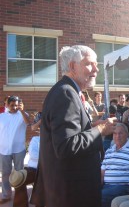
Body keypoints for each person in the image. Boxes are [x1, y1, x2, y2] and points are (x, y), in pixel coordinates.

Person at [30, 45, 107, 207]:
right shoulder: (66, 93)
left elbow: (65, 134)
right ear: (72, 66)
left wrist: (92, 125)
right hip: (71, 194)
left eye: (96, 64)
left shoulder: (67, 91)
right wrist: (99, 130)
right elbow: (66, 146)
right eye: (90, 64)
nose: (96, 69)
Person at [101, 123, 129, 207]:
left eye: (120, 133)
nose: (117, 136)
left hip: (124, 187)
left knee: (100, 196)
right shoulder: (109, 151)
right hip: (106, 186)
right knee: (89, 193)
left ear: (127, 134)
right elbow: (102, 173)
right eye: (115, 133)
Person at [0, 96, 30, 204]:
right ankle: (6, 195)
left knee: (19, 174)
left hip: (18, 150)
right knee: (5, 174)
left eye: (16, 105)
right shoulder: (2, 116)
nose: (14, 107)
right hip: (4, 150)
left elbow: (28, 123)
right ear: (7, 105)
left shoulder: (23, 115)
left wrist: (22, 111)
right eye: (12, 105)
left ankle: (20, 195)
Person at [10, 135, 40, 207]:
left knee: (42, 181)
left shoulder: (55, 140)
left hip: (48, 170)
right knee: (19, 180)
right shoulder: (36, 139)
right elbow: (34, 155)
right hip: (34, 169)